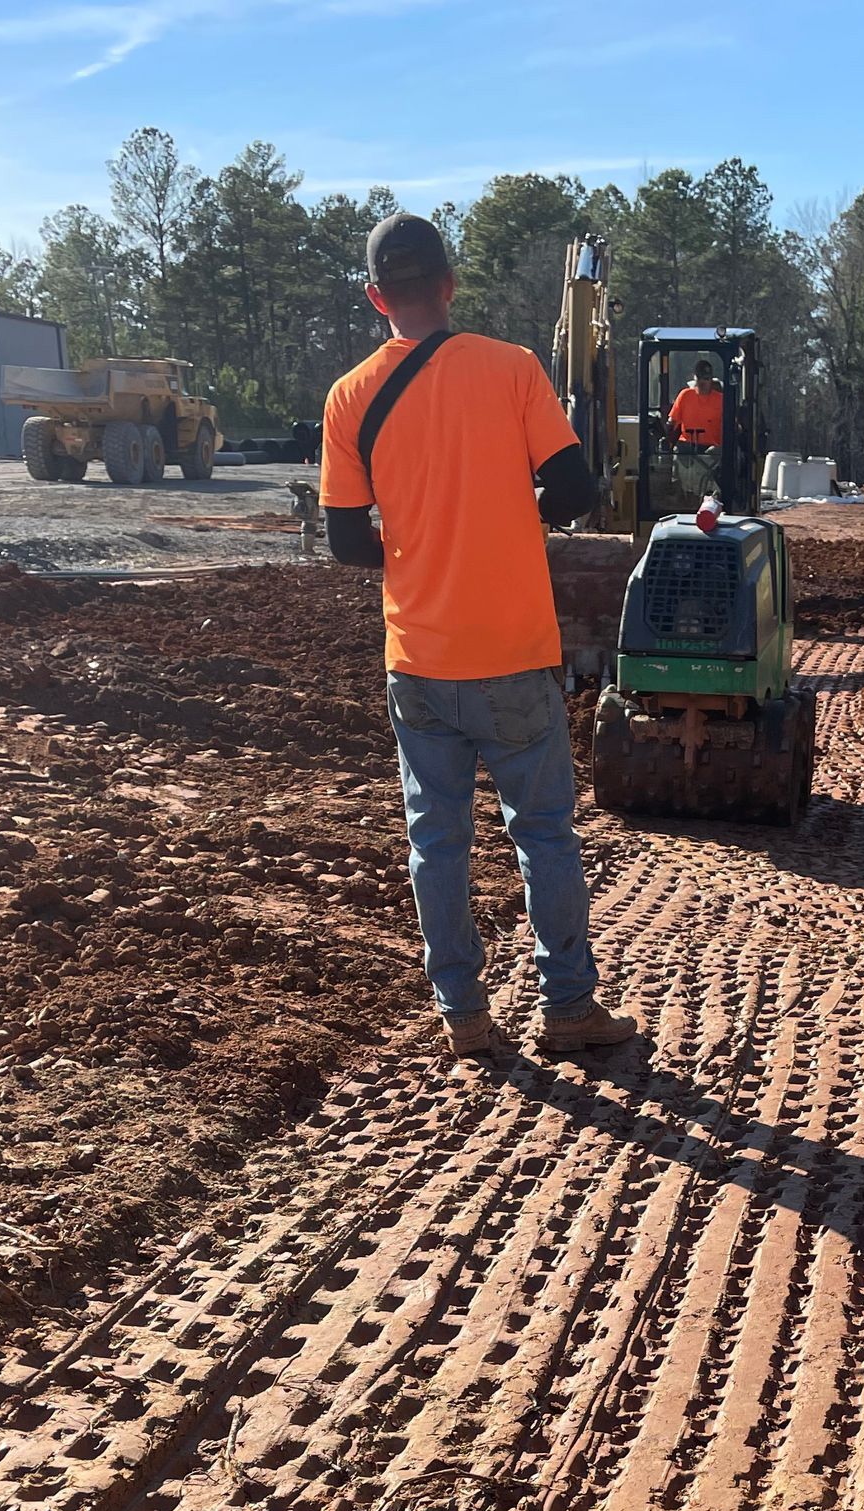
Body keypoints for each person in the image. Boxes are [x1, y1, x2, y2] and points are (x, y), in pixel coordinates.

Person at [319, 213, 635, 1062]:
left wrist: (421, 540)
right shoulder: (515, 369)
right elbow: (572, 491)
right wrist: (505, 513)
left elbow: (348, 541)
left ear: (376, 296)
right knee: (544, 836)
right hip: (514, 655)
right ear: (451, 285)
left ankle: (463, 1014)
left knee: (437, 841)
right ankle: (569, 1009)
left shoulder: (349, 397)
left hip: (418, 659)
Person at [668, 355, 723, 451]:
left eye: (706, 378)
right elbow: (672, 422)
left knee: (715, 451)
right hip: (686, 446)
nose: (702, 382)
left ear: (711, 379)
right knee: (677, 451)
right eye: (699, 378)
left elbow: (732, 426)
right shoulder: (685, 395)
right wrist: (667, 438)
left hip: (712, 449)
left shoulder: (721, 400)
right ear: (694, 377)